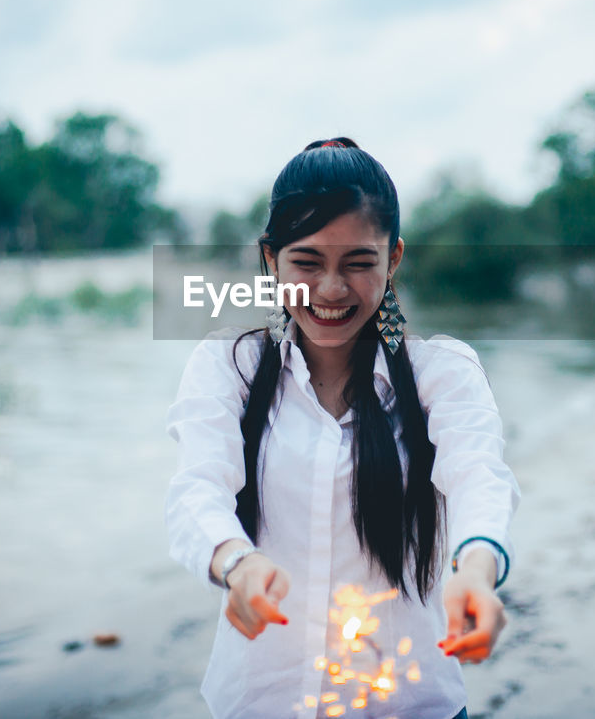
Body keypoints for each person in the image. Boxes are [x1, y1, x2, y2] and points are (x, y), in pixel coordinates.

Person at [165, 138, 520, 719]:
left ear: (394, 259)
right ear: (270, 258)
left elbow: (479, 475)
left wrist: (476, 567)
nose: (331, 290)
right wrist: (236, 561)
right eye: (306, 262)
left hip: (413, 702)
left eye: (358, 263)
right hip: (262, 701)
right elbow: (196, 490)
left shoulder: (442, 372)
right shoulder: (227, 365)